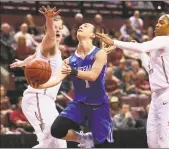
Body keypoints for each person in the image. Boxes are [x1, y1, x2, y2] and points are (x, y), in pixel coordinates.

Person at [96, 14, 169, 148]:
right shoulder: (159, 46)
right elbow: (149, 66)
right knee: (152, 141)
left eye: (161, 23)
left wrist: (114, 42)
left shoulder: (167, 40)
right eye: (157, 21)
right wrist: (140, 54)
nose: (157, 24)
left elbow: (143, 47)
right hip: (156, 97)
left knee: (164, 142)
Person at [34, 23, 114, 148]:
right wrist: (39, 86)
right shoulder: (69, 61)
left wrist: (73, 71)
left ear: (93, 35)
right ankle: (84, 138)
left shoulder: (100, 54)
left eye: (86, 26)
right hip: (79, 103)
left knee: (102, 145)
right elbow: (56, 79)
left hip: (99, 105)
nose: (81, 27)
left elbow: (93, 76)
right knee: (57, 130)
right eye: (80, 26)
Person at [10, 6, 67, 148]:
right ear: (47, 31)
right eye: (54, 27)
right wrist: (48, 19)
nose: (57, 30)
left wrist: (23, 62)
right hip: (37, 98)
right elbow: (51, 35)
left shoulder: (52, 50)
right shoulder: (49, 43)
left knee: (59, 142)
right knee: (51, 139)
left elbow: (34, 56)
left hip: (47, 101)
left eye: (60, 27)